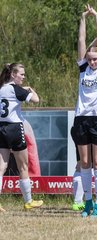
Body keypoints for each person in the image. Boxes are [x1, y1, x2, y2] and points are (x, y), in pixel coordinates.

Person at [71, 4, 97, 218]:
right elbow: (81, 41)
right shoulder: (82, 68)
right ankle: (87, 201)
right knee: (85, 162)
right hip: (82, 119)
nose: (93, 62)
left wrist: (96, 16)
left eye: (95, 59)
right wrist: (83, 18)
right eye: (90, 59)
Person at [0, 63, 43, 211]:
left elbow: (10, 92)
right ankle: (28, 201)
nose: (23, 77)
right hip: (14, 128)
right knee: (23, 166)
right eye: (21, 74)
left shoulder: (2, 88)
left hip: (1, 128)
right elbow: (36, 99)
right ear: (13, 74)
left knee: (1, 167)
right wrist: (30, 89)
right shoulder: (16, 90)